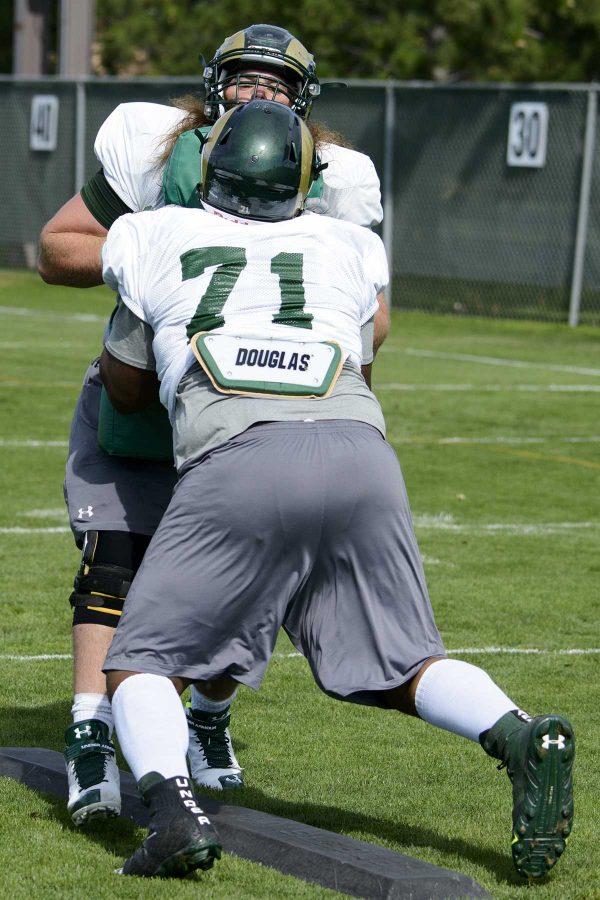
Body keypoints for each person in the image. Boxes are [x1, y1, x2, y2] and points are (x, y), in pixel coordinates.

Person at [99, 100, 574, 881]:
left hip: (238, 455)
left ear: (212, 164)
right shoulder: (349, 245)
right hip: (360, 449)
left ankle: (174, 816)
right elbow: (362, 356)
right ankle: (519, 733)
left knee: (142, 663)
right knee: (404, 660)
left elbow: (124, 389)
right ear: (304, 180)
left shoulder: (153, 233)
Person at [37, 24, 390, 824]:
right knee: (114, 563)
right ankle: (91, 732)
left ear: (303, 101)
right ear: (214, 84)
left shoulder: (337, 179)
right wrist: (158, 252)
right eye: (245, 80)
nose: (259, 96)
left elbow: (374, 317)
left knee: (252, 572)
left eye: (276, 85)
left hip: (259, 401)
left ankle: (208, 719)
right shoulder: (159, 149)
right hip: (151, 385)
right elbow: (59, 246)